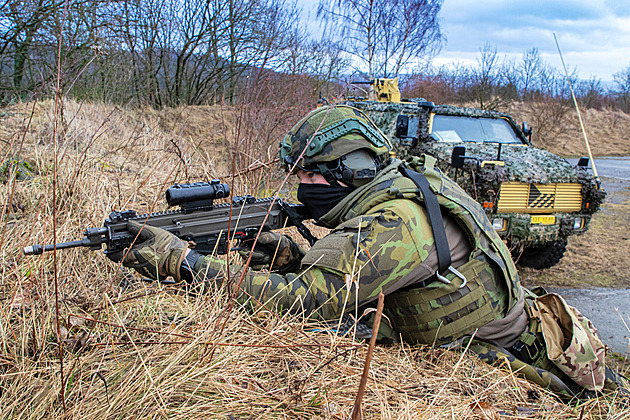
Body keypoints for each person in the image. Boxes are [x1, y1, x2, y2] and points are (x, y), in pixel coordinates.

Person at [109, 105, 628, 400]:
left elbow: (309, 302)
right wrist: (281, 253)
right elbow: (364, 271)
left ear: (346, 173)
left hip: (520, 358)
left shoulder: (396, 222)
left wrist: (182, 262)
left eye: (308, 175)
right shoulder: (399, 187)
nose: (301, 187)